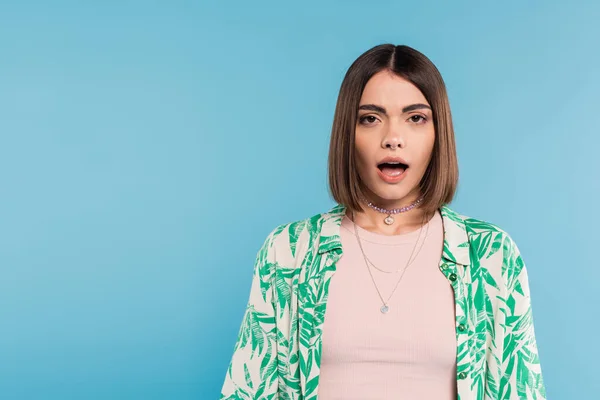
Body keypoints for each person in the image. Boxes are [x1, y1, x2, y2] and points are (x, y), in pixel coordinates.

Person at [219, 44, 546, 400]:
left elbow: (521, 393)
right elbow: (246, 391)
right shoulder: (289, 252)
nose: (393, 138)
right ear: (348, 133)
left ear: (439, 135)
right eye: (370, 118)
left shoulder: (491, 254)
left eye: (416, 117)